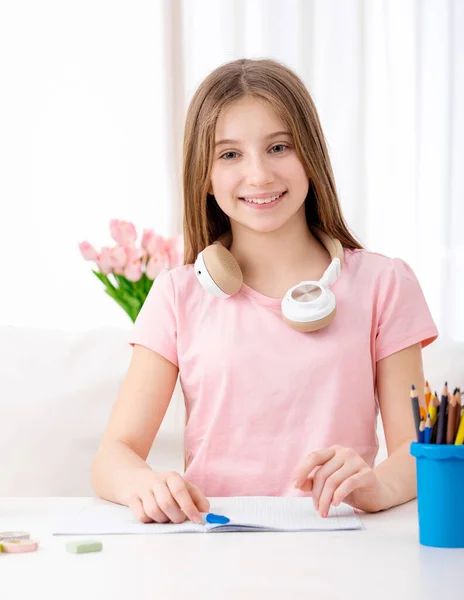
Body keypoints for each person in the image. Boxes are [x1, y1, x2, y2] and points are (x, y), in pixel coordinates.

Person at [90, 58, 438, 525]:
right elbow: (114, 455)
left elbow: (418, 453)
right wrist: (144, 484)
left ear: (311, 158)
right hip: (215, 547)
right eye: (229, 154)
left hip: (340, 545)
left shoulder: (384, 285)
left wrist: (376, 486)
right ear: (205, 177)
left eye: (279, 147)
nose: (259, 175)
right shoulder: (177, 296)